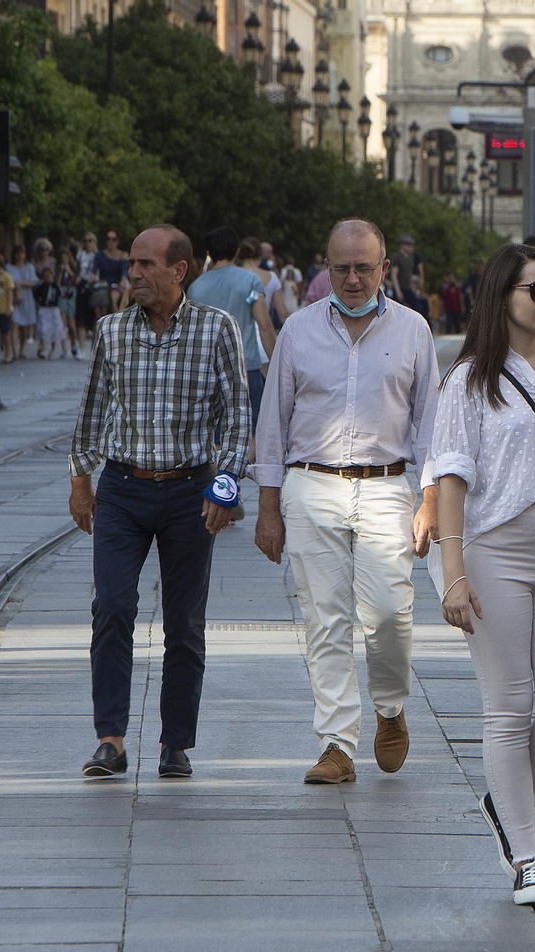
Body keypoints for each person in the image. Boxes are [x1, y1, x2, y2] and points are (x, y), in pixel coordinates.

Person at [430, 243, 535, 908]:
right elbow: (450, 475)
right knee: (508, 708)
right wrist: (451, 573)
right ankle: (528, 856)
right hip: (496, 546)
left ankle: (504, 799)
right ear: (504, 295)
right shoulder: (471, 376)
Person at [251, 219, 439, 787]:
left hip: (386, 486)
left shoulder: (413, 330)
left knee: (388, 613)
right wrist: (267, 506)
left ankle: (389, 707)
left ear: (385, 269)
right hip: (311, 484)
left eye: (364, 268)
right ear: (324, 270)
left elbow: (430, 423)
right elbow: (273, 423)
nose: (353, 279)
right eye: (342, 268)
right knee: (324, 619)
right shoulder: (298, 331)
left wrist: (429, 499)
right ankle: (336, 743)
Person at [69, 224, 251, 781]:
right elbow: (94, 406)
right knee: (113, 607)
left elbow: (238, 416)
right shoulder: (111, 331)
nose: (136, 274)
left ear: (181, 270)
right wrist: (81, 476)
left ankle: (176, 743)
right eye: (133, 264)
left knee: (185, 623)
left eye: (147, 264)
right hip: (123, 489)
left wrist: (224, 486)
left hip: (187, 492)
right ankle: (111, 740)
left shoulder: (216, 329)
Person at [189, 227, 276, 434]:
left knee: (214, 434)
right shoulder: (249, 280)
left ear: (209, 253)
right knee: (252, 432)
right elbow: (264, 325)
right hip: (246, 366)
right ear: (236, 250)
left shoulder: (195, 287)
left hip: (208, 370)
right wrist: (276, 362)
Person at [8, 245, 37, 361]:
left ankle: (21, 350)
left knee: (25, 327)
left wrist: (20, 283)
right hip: (14, 298)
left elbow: (33, 282)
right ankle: (15, 351)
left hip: (27, 298)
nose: (19, 256)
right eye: (17, 253)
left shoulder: (29, 267)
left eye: (22, 253)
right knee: (14, 324)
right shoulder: (9, 267)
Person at [33, 265, 68, 359]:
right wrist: (39, 304)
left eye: (49, 276)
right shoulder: (42, 286)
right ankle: (44, 348)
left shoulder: (56, 286)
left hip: (53, 308)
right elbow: (36, 296)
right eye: (46, 276)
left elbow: (61, 295)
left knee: (57, 328)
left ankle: (58, 349)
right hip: (44, 308)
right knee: (44, 329)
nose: (48, 278)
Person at [93, 229, 130, 314]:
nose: (110, 241)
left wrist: (123, 281)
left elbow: (124, 273)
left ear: (117, 241)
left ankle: (117, 318)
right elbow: (94, 271)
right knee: (98, 300)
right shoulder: (99, 255)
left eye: (113, 239)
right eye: (108, 239)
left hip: (117, 284)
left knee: (113, 297)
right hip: (103, 284)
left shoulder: (123, 255)